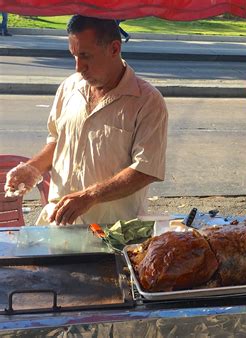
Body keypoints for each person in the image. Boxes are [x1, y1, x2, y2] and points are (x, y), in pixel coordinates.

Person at [4, 15, 168, 225]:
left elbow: (146, 170)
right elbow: (57, 141)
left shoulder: (147, 101)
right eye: (74, 56)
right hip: (59, 222)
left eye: (86, 56)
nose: (78, 67)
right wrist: (33, 168)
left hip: (113, 231)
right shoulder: (69, 87)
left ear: (114, 49)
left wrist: (91, 196)